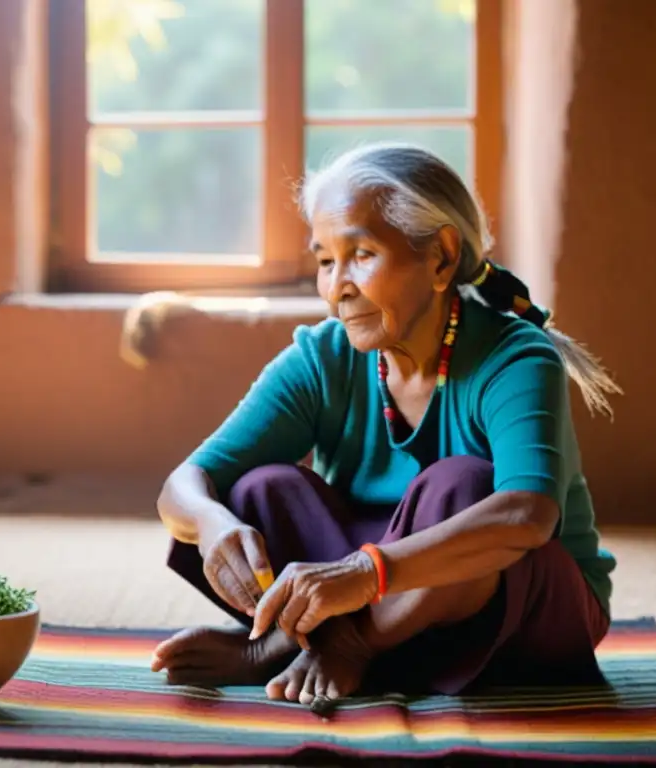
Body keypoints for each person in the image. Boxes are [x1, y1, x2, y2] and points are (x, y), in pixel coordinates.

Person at [150, 143, 622, 711]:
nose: (337, 287)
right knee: (258, 489)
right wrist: (210, 523)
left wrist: (365, 576)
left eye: (362, 254)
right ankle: (315, 643)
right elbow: (187, 481)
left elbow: (528, 514)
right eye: (325, 261)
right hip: (378, 592)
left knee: (462, 487)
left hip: (517, 611)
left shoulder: (515, 357)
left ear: (442, 258)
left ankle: (337, 645)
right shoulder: (323, 355)